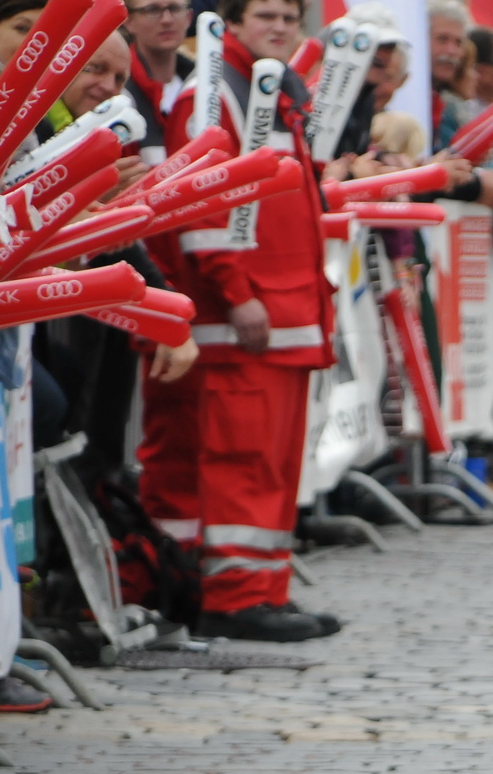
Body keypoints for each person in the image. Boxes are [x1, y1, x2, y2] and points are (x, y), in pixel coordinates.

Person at [145, 0, 343, 641]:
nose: (282, 27)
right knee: (242, 459)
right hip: (246, 316)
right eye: (266, 14)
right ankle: (233, 597)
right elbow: (204, 203)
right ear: (232, 21)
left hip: (283, 310)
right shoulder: (213, 92)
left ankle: (264, 587)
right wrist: (237, 291)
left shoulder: (272, 86)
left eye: (291, 16)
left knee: (275, 463)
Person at [124, 0, 195, 166]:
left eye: (175, 8)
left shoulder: (203, 84)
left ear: (189, 17)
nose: (167, 20)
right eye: (152, 10)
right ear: (129, 21)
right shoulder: (116, 88)